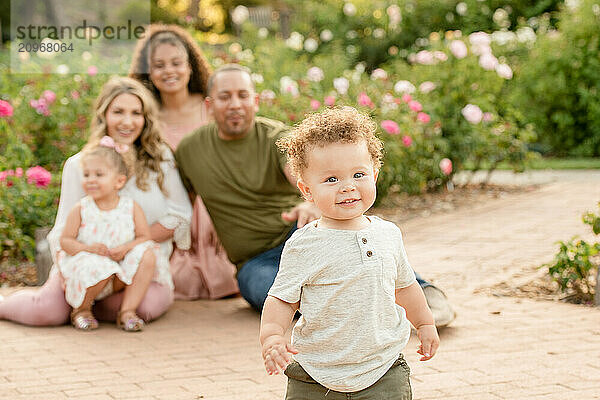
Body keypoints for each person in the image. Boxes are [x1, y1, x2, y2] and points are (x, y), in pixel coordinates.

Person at [175, 64, 455, 327]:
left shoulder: (275, 137)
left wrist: (307, 203)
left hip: (301, 235)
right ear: (210, 106)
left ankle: (423, 294)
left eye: (243, 95)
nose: (235, 104)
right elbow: (182, 204)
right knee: (273, 294)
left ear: (255, 101)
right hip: (255, 260)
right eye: (225, 97)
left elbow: (305, 175)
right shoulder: (190, 150)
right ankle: (354, 316)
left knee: (362, 249)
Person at [260, 107, 440, 398]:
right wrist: (271, 336)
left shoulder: (388, 234)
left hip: (384, 370)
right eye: (331, 179)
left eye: (359, 174)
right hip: (315, 375)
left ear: (375, 176)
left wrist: (425, 323)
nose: (347, 187)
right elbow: (282, 298)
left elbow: (405, 287)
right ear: (307, 190)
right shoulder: (304, 244)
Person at [0, 77, 192, 326]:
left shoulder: (160, 158)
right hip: (87, 261)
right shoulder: (80, 165)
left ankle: (87, 306)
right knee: (46, 312)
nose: (127, 121)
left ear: (146, 119)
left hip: (138, 267)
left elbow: (180, 216)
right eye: (118, 112)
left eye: (136, 113)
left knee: (143, 307)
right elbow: (62, 231)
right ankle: (20, 304)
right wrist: (82, 264)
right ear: (104, 115)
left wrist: (128, 247)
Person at [129, 24, 238, 300]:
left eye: (177, 63)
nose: (169, 71)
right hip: (169, 207)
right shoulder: (145, 115)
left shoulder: (210, 106)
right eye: (159, 65)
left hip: (215, 203)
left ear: (190, 66)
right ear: (148, 72)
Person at [59, 137, 156, 331]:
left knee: (147, 253)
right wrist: (88, 249)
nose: (90, 180)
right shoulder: (81, 208)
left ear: (119, 181)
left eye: (99, 174)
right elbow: (65, 241)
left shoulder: (130, 207)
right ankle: (82, 310)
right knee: (94, 264)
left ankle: (127, 311)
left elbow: (145, 236)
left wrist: (125, 249)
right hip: (91, 270)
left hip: (120, 269)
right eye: (86, 174)